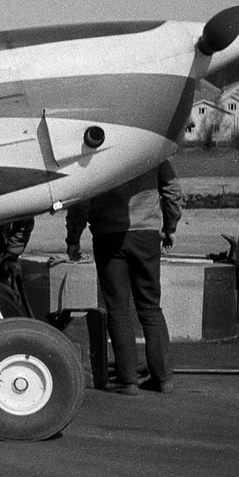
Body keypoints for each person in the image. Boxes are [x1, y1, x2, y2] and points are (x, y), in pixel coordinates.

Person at [66, 161, 184, 394]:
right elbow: (173, 192)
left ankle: (127, 380)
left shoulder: (96, 156)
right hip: (147, 235)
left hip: (107, 235)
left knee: (118, 309)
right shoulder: (154, 150)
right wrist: (170, 226)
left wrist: (73, 238)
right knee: (150, 307)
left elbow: (81, 201)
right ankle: (163, 379)